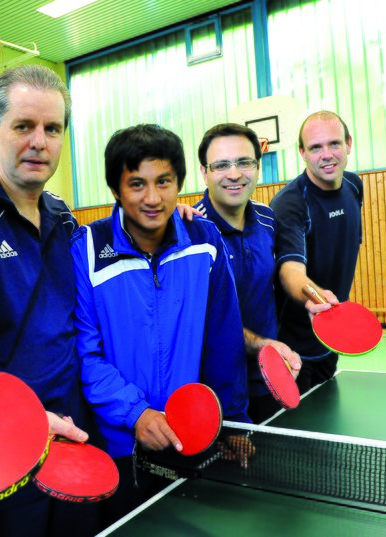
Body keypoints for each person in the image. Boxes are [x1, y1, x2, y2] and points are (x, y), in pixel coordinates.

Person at [0, 65, 99, 537]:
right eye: (24, 126)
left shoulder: (65, 216)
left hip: (73, 432)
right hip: (5, 443)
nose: (39, 142)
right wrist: (21, 419)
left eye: (52, 129)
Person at [70, 123, 251, 526]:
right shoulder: (86, 249)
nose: (153, 198)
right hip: (120, 446)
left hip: (194, 436)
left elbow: (222, 338)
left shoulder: (205, 240)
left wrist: (234, 421)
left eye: (164, 182)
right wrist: (136, 414)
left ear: (180, 183)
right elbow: (85, 354)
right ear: (116, 190)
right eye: (137, 184)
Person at [193, 123, 301, 423]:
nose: (235, 173)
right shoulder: (190, 233)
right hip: (218, 392)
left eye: (244, 162)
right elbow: (203, 320)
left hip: (271, 380)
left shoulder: (268, 219)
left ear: (257, 166)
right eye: (221, 165)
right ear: (204, 172)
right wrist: (260, 345)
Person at [270, 111, 363, 394]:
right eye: (315, 147)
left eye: (334, 144)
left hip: (331, 336)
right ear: (302, 152)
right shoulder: (289, 205)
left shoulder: (354, 186)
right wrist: (315, 298)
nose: (326, 155)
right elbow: (291, 270)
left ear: (349, 143)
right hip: (293, 349)